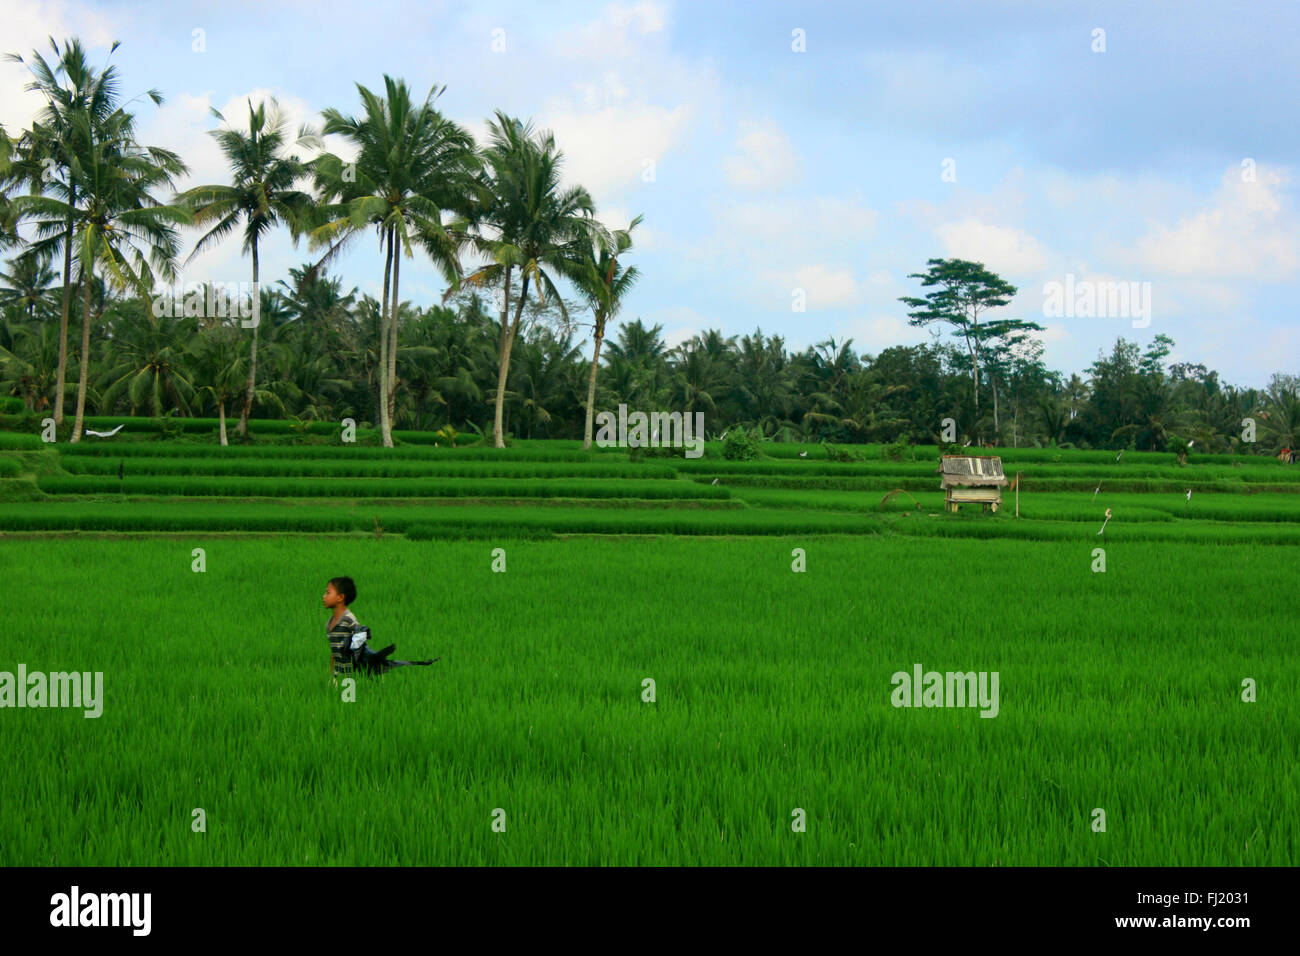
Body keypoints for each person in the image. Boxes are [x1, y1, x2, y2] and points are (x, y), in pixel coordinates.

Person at [323, 576, 360, 681]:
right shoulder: (329, 623)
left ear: (340, 597)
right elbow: (334, 651)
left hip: (351, 675)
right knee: (335, 697)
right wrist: (331, 675)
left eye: (328, 593)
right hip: (338, 675)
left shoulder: (349, 621)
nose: (324, 596)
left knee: (350, 698)